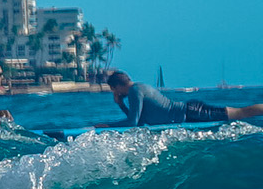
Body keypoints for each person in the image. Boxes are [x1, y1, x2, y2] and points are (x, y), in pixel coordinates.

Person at [106, 71, 263, 126]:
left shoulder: (135, 91)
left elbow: (133, 122)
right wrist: (121, 105)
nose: (116, 94)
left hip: (191, 113)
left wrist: (105, 126)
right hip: (190, 112)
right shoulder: (139, 87)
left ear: (117, 87)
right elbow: (139, 122)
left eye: (114, 91)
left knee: (241, 112)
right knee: (240, 112)